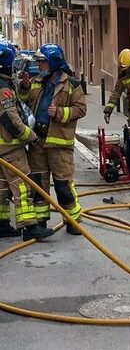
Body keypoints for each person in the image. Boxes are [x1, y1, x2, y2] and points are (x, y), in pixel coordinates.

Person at [19, 43, 87, 234]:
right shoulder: (36, 81)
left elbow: (81, 109)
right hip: (38, 141)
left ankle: (72, 220)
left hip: (59, 143)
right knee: (38, 184)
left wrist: (59, 112)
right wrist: (24, 87)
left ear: (53, 62)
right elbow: (23, 99)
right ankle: (40, 221)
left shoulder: (71, 84)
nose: (39, 65)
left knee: (63, 184)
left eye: (42, 62)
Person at [0, 42, 54, 241]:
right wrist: (30, 136)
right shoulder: (3, 90)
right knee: (23, 186)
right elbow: (11, 120)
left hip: (1, 149)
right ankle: (30, 226)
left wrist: (22, 85)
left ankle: (2, 224)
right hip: (10, 148)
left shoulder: (4, 83)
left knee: (2, 187)